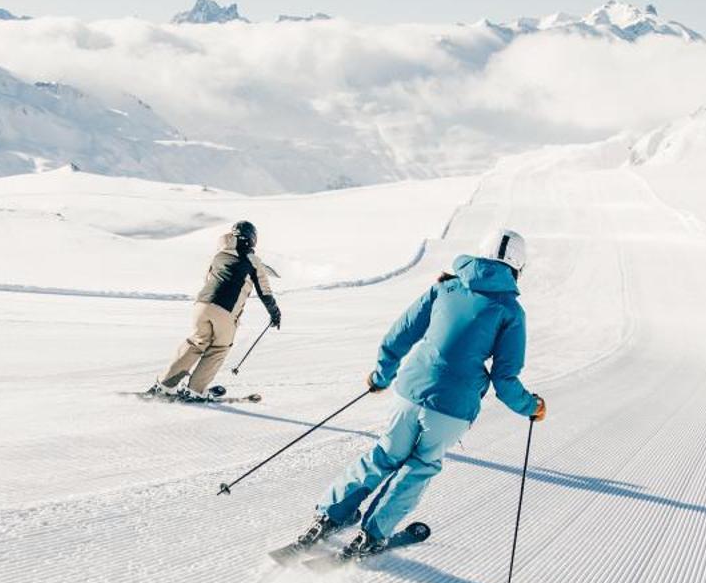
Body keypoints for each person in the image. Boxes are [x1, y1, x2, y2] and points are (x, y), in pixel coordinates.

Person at [296, 228, 545, 557]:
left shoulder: (446, 285)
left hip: (410, 390)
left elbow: (400, 333)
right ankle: (372, 534)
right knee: (421, 465)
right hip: (452, 407)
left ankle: (329, 516)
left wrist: (382, 375)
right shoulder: (511, 311)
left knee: (384, 455)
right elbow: (505, 379)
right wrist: (531, 406)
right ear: (518, 267)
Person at [150, 220, 281, 400]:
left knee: (196, 343)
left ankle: (164, 385)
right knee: (219, 348)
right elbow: (265, 293)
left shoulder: (218, 256)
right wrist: (275, 314)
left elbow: (208, 279)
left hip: (201, 305)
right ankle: (195, 391)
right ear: (252, 239)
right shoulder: (253, 261)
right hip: (225, 311)